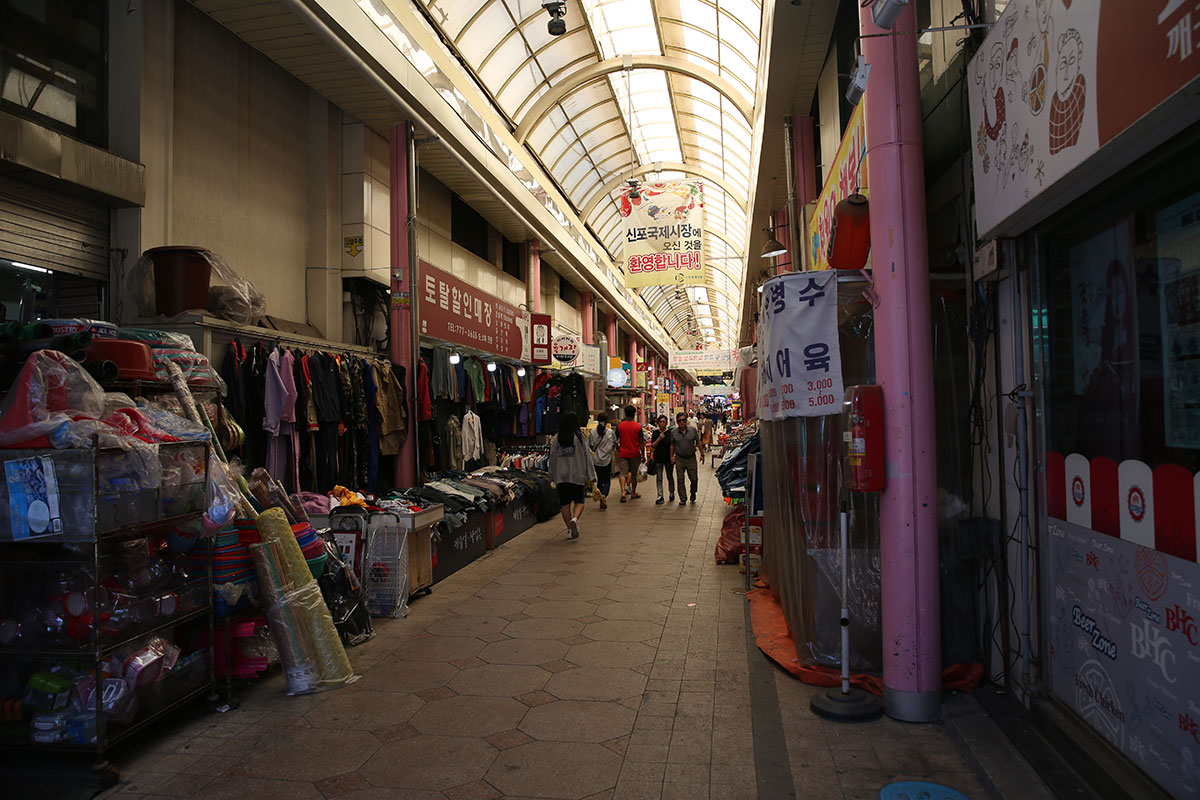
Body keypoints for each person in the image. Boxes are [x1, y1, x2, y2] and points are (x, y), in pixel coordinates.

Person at [549, 412, 594, 540]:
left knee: (564, 503)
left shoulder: (557, 438)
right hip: (577, 475)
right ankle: (575, 518)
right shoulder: (579, 438)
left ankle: (569, 530)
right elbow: (587, 457)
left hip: (561, 476)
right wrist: (591, 475)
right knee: (579, 501)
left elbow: (552, 459)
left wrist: (551, 477)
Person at [670, 411, 703, 505]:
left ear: (686, 421)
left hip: (691, 457)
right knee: (680, 479)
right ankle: (683, 498)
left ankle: (693, 492)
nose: (681, 422)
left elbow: (698, 442)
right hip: (679, 458)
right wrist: (672, 456)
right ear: (677, 422)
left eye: (683, 420)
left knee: (694, 479)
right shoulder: (673, 432)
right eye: (679, 421)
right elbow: (672, 445)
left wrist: (702, 454)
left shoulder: (693, 430)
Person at [588, 411, 616, 510]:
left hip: (596, 460)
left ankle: (600, 496)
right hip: (607, 459)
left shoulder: (592, 432)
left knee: (600, 479)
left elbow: (590, 446)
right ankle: (604, 495)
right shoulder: (610, 432)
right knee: (607, 479)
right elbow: (614, 444)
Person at [615, 405, 644, 502]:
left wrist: (618, 449)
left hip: (623, 453)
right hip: (635, 453)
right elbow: (641, 442)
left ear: (625, 414)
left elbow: (615, 440)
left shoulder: (620, 426)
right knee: (634, 474)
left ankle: (623, 492)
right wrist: (643, 454)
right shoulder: (638, 426)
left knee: (623, 473)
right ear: (634, 414)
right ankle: (633, 492)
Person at [649, 415, 675, 504]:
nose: (662, 424)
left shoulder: (670, 432)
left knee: (669, 476)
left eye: (664, 422)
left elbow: (672, 445)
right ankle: (660, 495)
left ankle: (671, 492)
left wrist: (672, 456)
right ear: (658, 423)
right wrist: (659, 438)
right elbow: (653, 445)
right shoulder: (655, 433)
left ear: (666, 423)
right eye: (660, 422)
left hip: (668, 458)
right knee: (659, 477)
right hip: (658, 458)